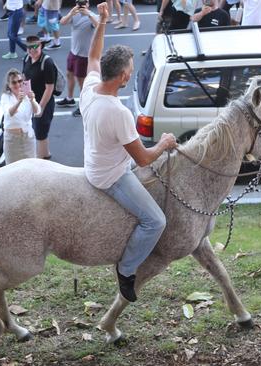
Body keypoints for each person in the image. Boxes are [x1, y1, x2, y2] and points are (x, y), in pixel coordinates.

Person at [81, 3, 178, 302]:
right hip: (109, 176)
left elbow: (93, 56)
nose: (130, 76)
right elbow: (144, 159)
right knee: (156, 221)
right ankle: (127, 268)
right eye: (130, 73)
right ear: (122, 77)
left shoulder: (89, 87)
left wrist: (103, 22)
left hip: (96, 160)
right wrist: (164, 142)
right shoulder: (118, 112)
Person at [57, 0, 98, 117]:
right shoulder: (74, 15)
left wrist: (88, 14)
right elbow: (62, 22)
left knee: (82, 82)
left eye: (84, 2)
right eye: (79, 2)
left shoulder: (92, 16)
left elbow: (98, 25)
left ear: (88, 4)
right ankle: (69, 98)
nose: (81, 5)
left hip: (83, 56)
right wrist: (71, 13)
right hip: (73, 52)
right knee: (69, 74)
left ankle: (83, 105)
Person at [23, 35, 56, 159]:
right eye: (29, 47)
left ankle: (43, 157)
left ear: (41, 45)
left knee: (41, 132)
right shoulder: (27, 58)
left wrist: (40, 107)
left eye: (35, 46)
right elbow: (24, 77)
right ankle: (43, 154)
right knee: (34, 128)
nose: (32, 50)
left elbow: (50, 88)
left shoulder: (47, 62)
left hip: (44, 103)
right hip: (31, 100)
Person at [1, 68, 41, 164]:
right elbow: (9, 113)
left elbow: (38, 111)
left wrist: (32, 100)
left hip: (28, 137)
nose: (17, 84)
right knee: (12, 168)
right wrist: (18, 101)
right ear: (9, 85)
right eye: (14, 82)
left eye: (20, 81)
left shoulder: (28, 94)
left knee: (31, 166)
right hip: (12, 139)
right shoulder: (6, 97)